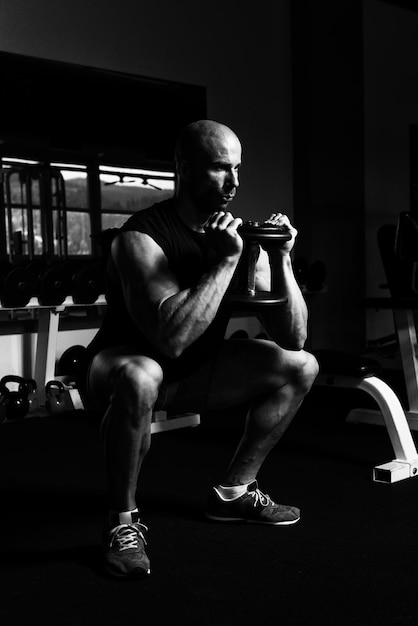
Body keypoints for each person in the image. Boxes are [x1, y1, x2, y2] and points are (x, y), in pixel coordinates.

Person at [84, 119, 319, 579]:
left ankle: (234, 492)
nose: (233, 182)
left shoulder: (234, 233)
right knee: (141, 374)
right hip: (120, 366)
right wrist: (225, 261)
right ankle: (122, 523)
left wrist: (281, 257)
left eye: (237, 169)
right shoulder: (140, 237)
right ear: (184, 169)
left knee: (300, 366)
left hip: (194, 372)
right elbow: (169, 339)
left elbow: (294, 336)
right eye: (217, 168)